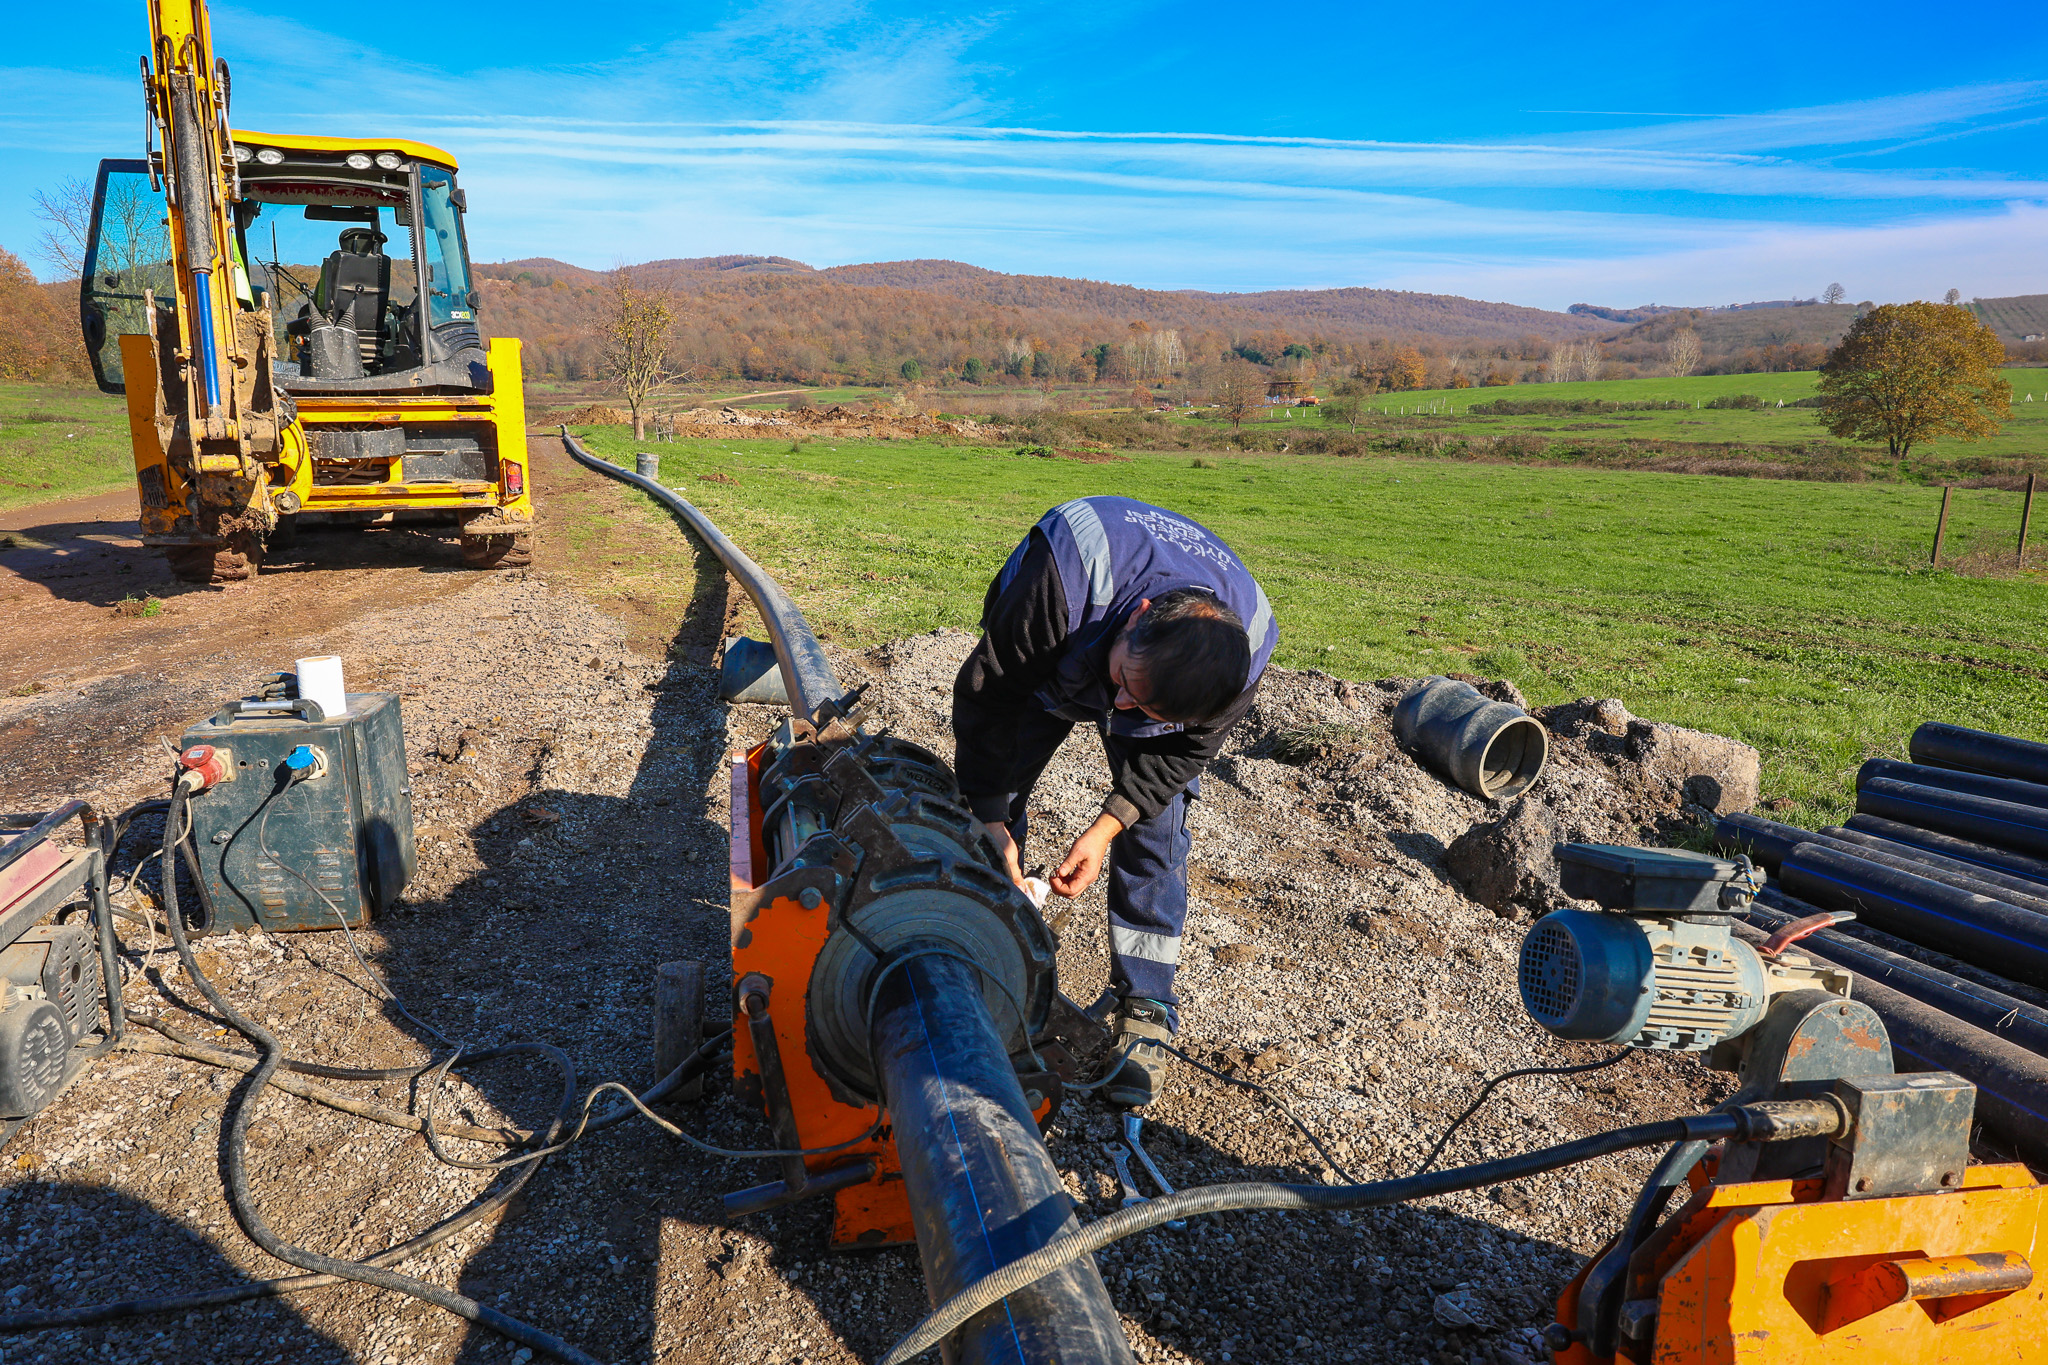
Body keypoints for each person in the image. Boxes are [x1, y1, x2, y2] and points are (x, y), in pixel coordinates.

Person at [952, 496, 1277, 1107]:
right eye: (1125, 689)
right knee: (994, 789)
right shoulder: (1060, 585)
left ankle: (1148, 1005)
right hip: (1062, 648)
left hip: (1141, 673)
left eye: (1145, 712)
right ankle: (975, 948)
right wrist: (991, 817)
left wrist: (1105, 829)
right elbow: (990, 699)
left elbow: (1178, 759)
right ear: (1139, 618)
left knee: (1158, 830)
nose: (1119, 712)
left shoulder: (1243, 659)